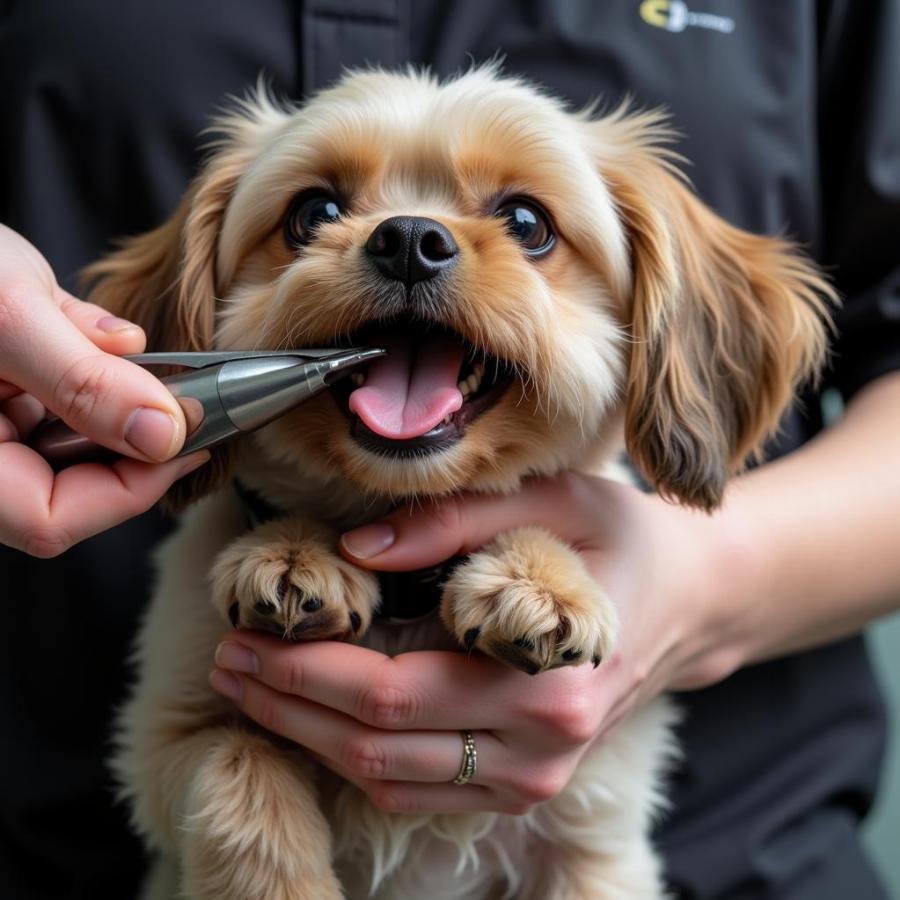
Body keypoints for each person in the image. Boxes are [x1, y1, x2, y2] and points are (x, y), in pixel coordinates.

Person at [1, 2, 898, 898]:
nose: (412, 241)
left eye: (528, 226)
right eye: (315, 216)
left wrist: (702, 574)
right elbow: (179, 745)